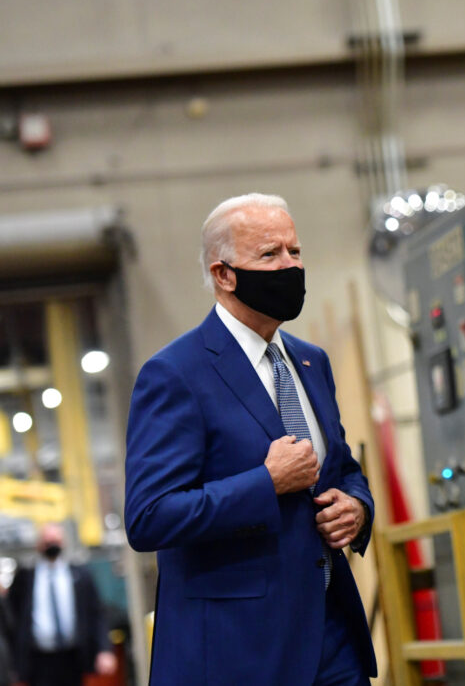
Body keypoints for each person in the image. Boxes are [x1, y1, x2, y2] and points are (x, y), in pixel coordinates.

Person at [125, 193, 376, 685]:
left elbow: (341, 466)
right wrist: (265, 483)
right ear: (224, 275)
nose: (290, 265)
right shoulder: (176, 374)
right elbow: (149, 517)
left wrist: (357, 507)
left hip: (330, 634)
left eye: (295, 251)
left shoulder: (311, 361)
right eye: (270, 255)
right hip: (238, 651)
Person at [7, 524, 115, 686]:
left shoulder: (80, 575)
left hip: (73, 657)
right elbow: (12, 617)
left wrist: (104, 649)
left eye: (55, 541)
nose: (52, 546)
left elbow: (96, 613)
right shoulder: (26, 576)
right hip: (38, 660)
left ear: (63, 543)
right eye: (47, 541)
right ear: (39, 545)